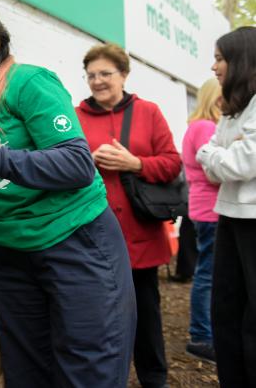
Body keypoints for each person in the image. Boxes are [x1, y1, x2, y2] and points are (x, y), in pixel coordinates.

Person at [0, 0, 135, 388]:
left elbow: (77, 165)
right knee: (25, 371)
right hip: (10, 256)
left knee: (87, 368)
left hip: (74, 243)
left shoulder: (29, 83)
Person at [75, 43, 181, 388]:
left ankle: (154, 379)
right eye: (91, 75)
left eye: (105, 73)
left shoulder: (148, 112)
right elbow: (59, 162)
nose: (98, 81)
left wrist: (135, 163)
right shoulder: (75, 116)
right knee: (98, 317)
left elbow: (172, 163)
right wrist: (82, 162)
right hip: (92, 235)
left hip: (140, 235)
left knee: (147, 314)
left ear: (123, 74)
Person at [196, 26, 256, 387]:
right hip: (231, 217)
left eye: (220, 58)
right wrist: (219, 153)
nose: (214, 66)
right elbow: (219, 167)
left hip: (252, 221)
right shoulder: (234, 110)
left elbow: (239, 164)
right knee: (226, 312)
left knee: (251, 318)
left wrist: (214, 153)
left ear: (241, 60)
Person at [182, 78, 221, 364]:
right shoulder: (206, 127)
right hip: (212, 211)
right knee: (207, 274)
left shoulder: (198, 126)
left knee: (209, 273)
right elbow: (214, 172)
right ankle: (201, 336)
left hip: (205, 209)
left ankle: (205, 332)